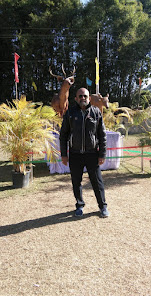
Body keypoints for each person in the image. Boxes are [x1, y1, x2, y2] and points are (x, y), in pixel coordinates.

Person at [60, 87, 109, 218]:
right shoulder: (70, 113)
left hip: (92, 153)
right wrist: (64, 154)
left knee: (97, 182)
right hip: (75, 154)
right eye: (80, 96)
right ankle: (79, 205)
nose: (83, 98)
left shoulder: (96, 113)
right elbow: (63, 135)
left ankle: (103, 206)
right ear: (76, 98)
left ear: (89, 98)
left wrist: (102, 154)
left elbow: (102, 135)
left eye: (85, 96)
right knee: (76, 182)